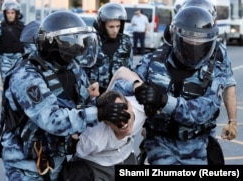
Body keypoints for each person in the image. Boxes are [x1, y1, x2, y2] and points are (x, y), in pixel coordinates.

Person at [0, 10, 130, 180]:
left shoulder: (71, 67)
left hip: (56, 157)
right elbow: (53, 120)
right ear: (53, 43)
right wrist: (99, 113)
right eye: (72, 40)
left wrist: (100, 103)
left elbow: (82, 104)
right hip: (25, 163)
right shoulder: (26, 75)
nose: (79, 46)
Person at [110, 6, 231, 165]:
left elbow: (202, 112)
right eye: (189, 42)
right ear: (175, 38)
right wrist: (138, 89)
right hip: (159, 142)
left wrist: (163, 100)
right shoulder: (153, 61)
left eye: (200, 43)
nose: (195, 48)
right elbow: (119, 85)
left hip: (197, 146)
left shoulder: (215, 69)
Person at [165, 0, 237, 141]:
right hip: (166, 129)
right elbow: (155, 80)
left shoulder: (220, 52)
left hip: (202, 128)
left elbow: (228, 86)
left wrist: (232, 121)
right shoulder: (172, 45)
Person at [68, 90, 146, 181]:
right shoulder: (93, 139)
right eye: (115, 118)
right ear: (106, 122)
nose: (122, 123)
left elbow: (121, 75)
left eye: (123, 113)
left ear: (130, 105)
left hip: (125, 156)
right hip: (97, 164)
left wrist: (135, 84)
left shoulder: (141, 108)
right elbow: (75, 154)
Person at [84, 2, 133, 94]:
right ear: (102, 26)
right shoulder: (92, 41)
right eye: (111, 27)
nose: (115, 30)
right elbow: (83, 69)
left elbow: (129, 68)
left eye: (118, 26)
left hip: (119, 93)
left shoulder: (126, 41)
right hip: (95, 93)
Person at [0, 1, 31, 84]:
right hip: (5, 59)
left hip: (19, 59)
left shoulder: (22, 27)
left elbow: (29, 44)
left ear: (16, 13)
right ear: (5, 14)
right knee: (6, 83)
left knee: (19, 84)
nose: (10, 15)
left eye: (12, 13)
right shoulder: (0, 27)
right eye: (8, 13)